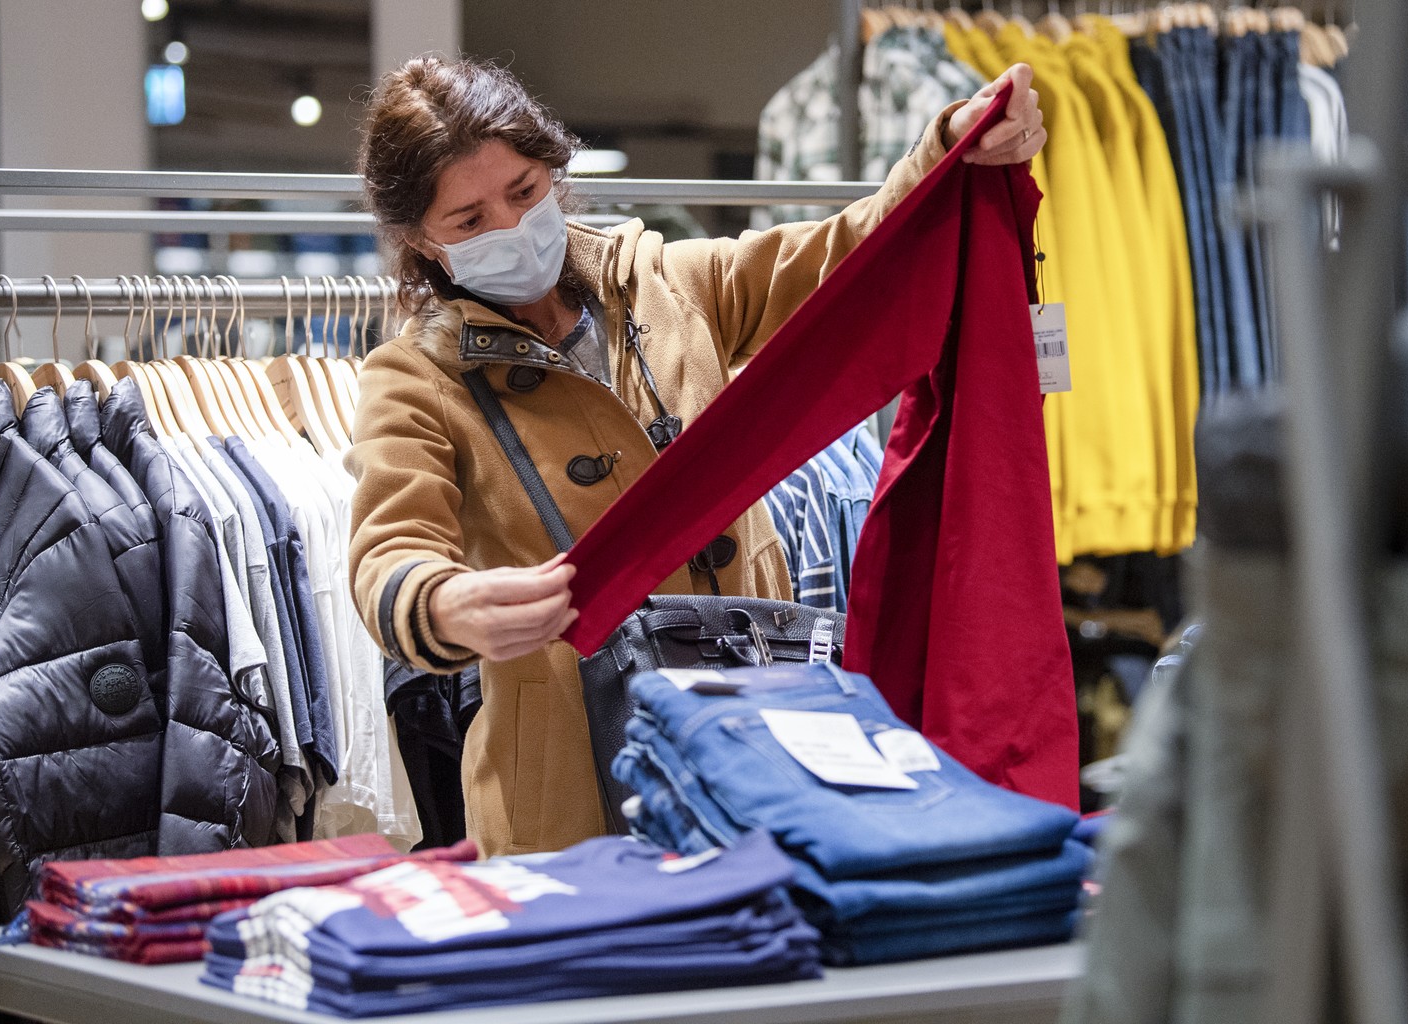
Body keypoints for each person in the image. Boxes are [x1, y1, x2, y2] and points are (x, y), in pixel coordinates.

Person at [348, 55, 1046, 857]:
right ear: (419, 242)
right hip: (571, 790)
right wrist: (447, 605)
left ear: (555, 173)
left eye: (525, 192)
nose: (508, 229)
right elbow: (387, 555)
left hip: (757, 732)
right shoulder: (415, 378)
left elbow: (842, 260)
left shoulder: (669, 286)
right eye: (468, 222)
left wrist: (949, 150)